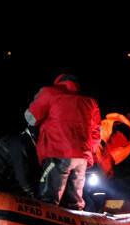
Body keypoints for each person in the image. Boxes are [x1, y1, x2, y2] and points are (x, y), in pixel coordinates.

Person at [24, 72, 101, 209]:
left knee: (48, 199)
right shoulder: (90, 102)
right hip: (81, 158)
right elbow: (96, 134)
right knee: (75, 201)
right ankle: (76, 224)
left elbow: (31, 118)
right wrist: (90, 154)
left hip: (57, 153)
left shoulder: (49, 93)